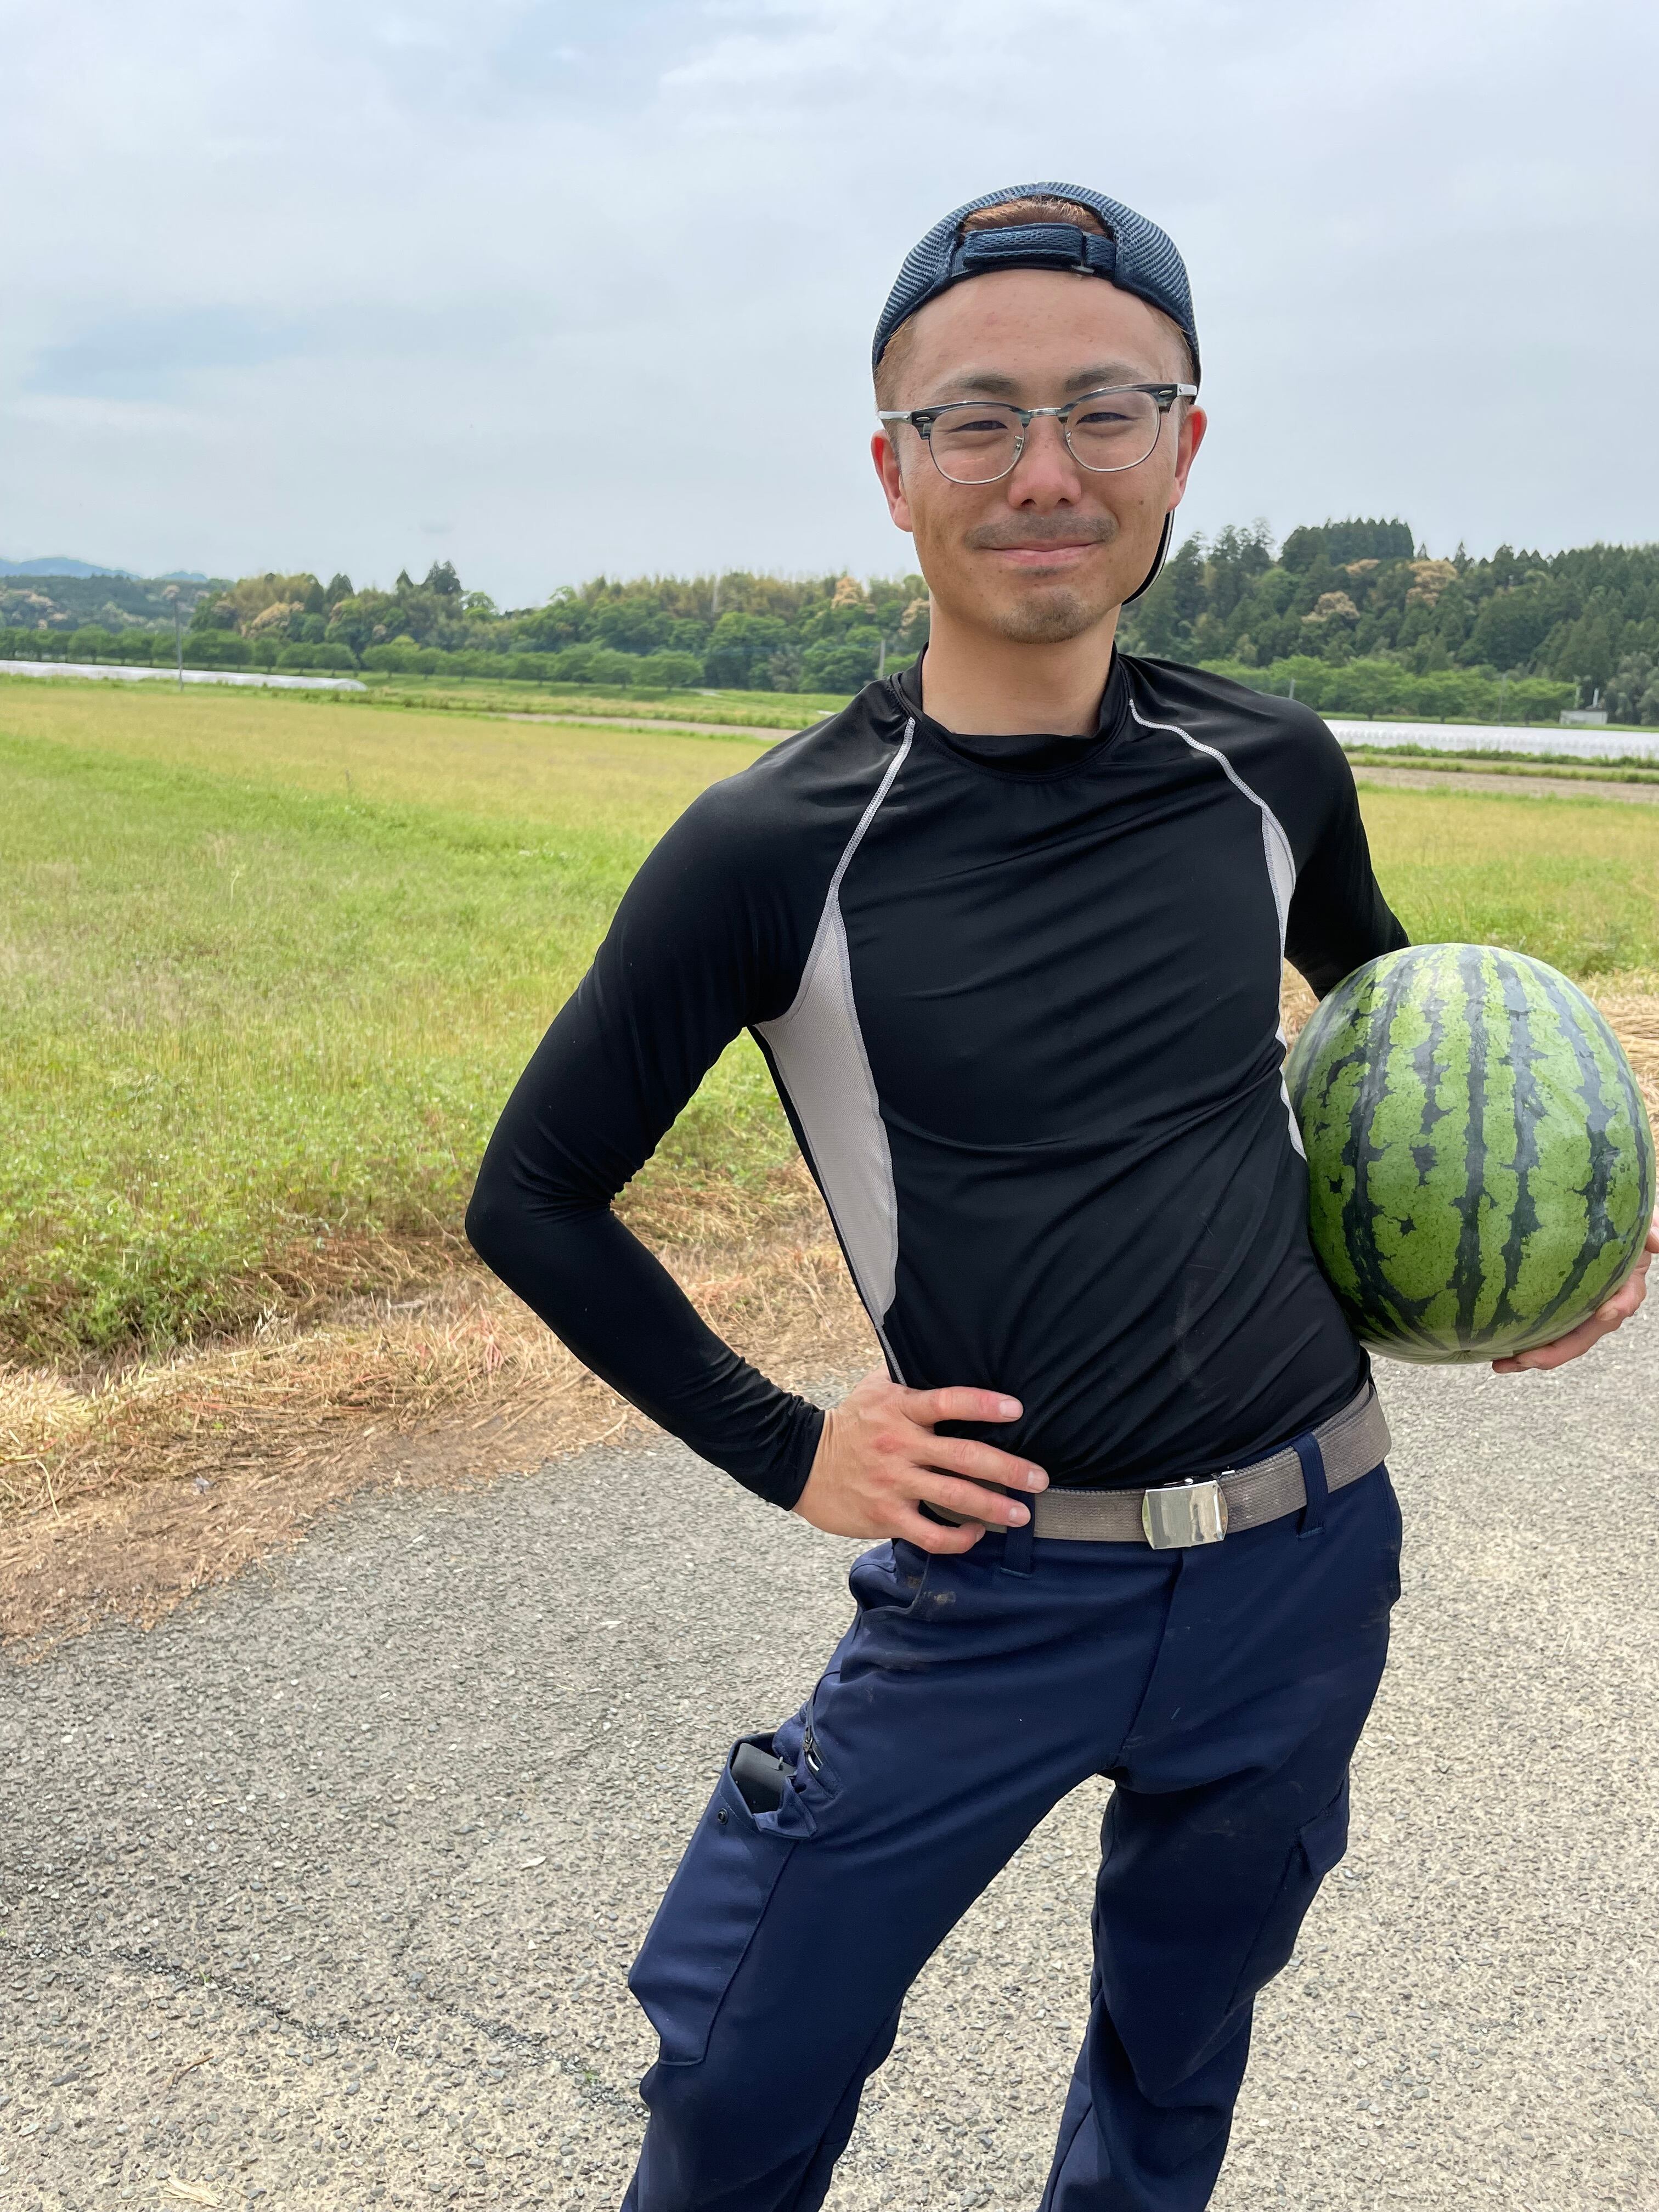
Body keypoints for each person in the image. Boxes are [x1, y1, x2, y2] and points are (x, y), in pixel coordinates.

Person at [465, 183, 1655, 2211]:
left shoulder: (1270, 767)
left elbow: (1423, 1042)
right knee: (742, 2074)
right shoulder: (773, 845)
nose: (1045, 470)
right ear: (894, 471)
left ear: (1182, 448)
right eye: (979, 419)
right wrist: (790, 1448)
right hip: (1002, 1580)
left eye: (1107, 410)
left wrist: (1565, 1249)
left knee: (1174, 2062)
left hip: (1307, 1557)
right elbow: (536, 1195)